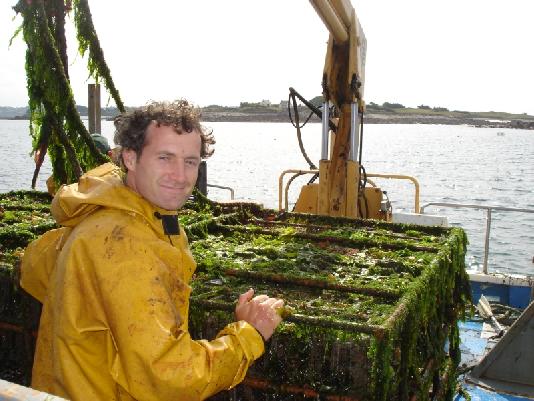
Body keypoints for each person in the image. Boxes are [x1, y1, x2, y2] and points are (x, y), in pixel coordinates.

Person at [20, 100, 284, 401]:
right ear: (130, 158)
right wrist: (249, 334)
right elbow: (169, 377)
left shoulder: (104, 211)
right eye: (165, 158)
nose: (180, 175)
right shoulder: (126, 244)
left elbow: (32, 268)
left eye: (190, 162)